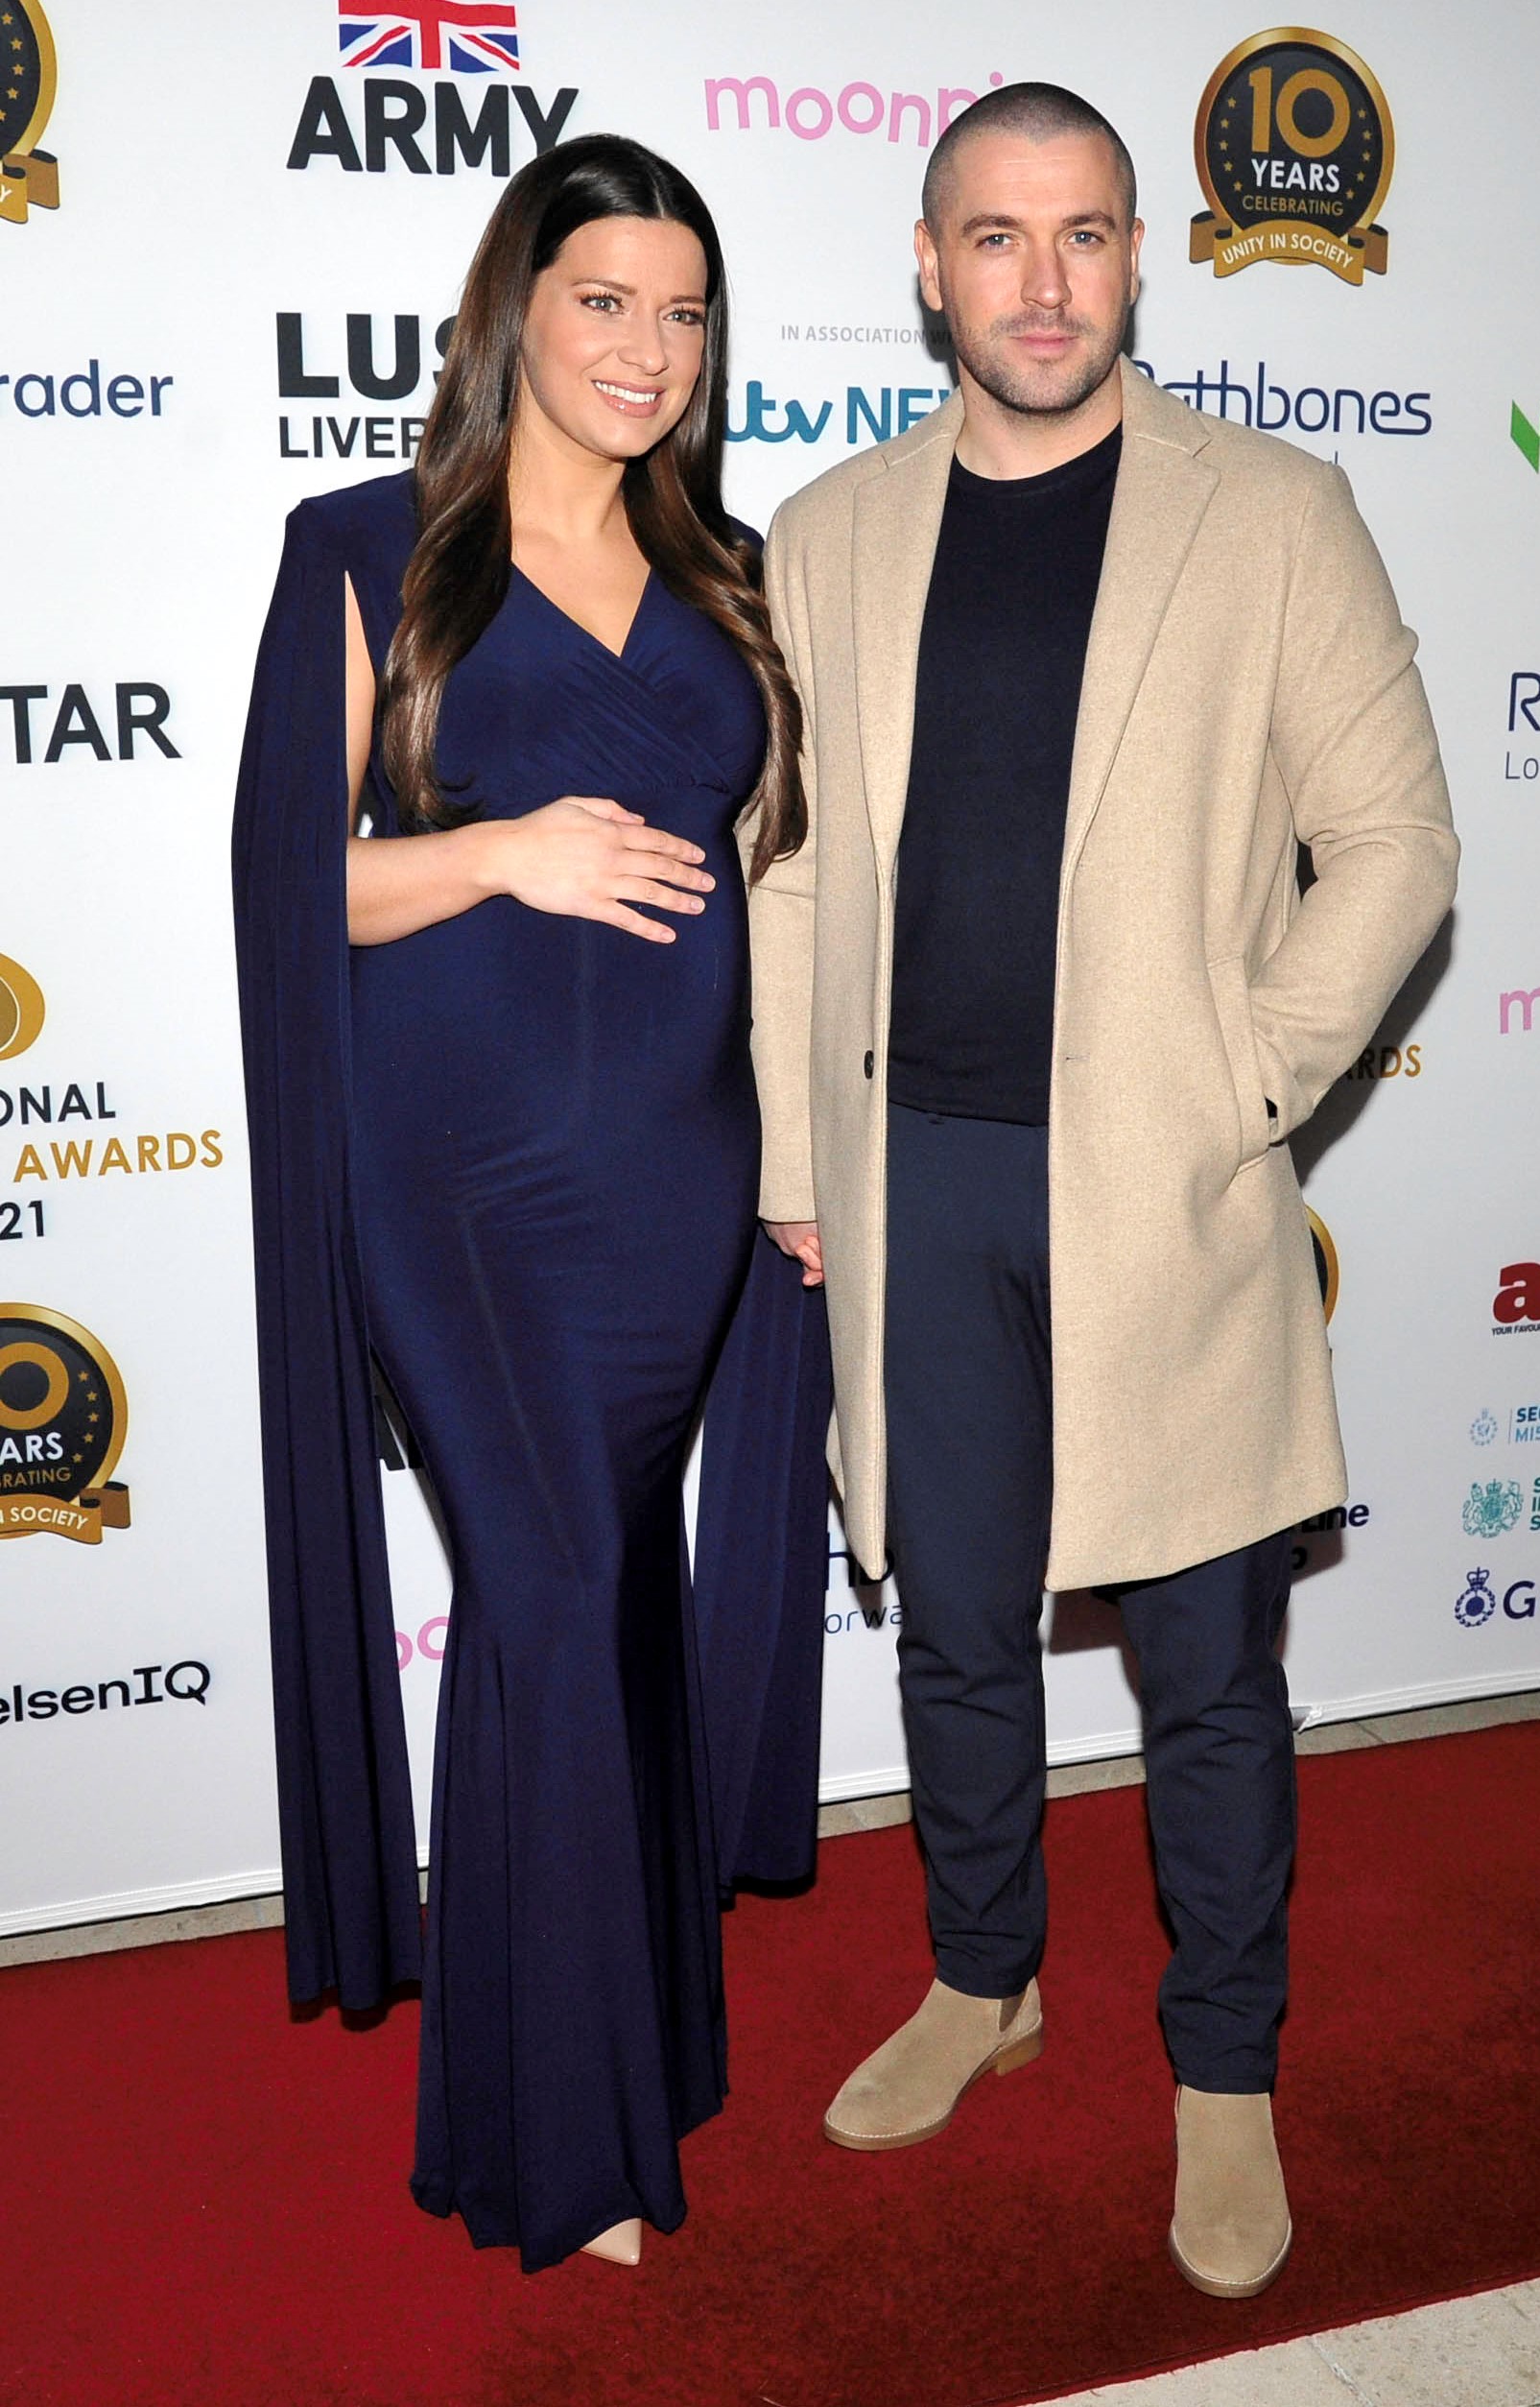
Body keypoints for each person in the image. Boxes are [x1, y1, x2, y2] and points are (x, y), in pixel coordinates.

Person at [754, 83, 1457, 2299]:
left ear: (1139, 257)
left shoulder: (1271, 511)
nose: (1039, 280)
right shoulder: (826, 529)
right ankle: (988, 1977)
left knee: (1208, 1667)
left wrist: (1242, 1082)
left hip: (1166, 1182)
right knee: (952, 1630)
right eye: (994, 237)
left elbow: (1398, 848)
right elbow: (785, 883)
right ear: (930, 267)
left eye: (1080, 236)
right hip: (914, 1179)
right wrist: (796, 1155)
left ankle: (1224, 2066)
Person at [232, 134, 830, 2276]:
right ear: (517, 307)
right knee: (560, 1585)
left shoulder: (736, 573)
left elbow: (786, 895)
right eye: (606, 301)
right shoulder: (370, 552)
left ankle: (629, 2036)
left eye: (684, 312)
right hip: (460, 1179)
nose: (648, 347)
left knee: (612, 1606)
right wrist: (500, 852)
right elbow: (291, 890)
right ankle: (558, 2142)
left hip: (679, 1172)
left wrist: (806, 1162)